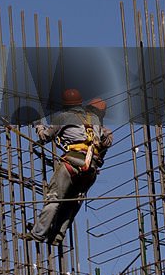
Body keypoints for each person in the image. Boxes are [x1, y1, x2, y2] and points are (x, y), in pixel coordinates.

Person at [26, 91, 113, 245]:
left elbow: (45, 136)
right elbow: (106, 141)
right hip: (90, 168)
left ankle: (38, 234)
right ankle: (58, 235)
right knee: (71, 202)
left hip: (71, 163)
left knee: (53, 199)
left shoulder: (64, 117)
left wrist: (38, 125)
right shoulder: (94, 120)